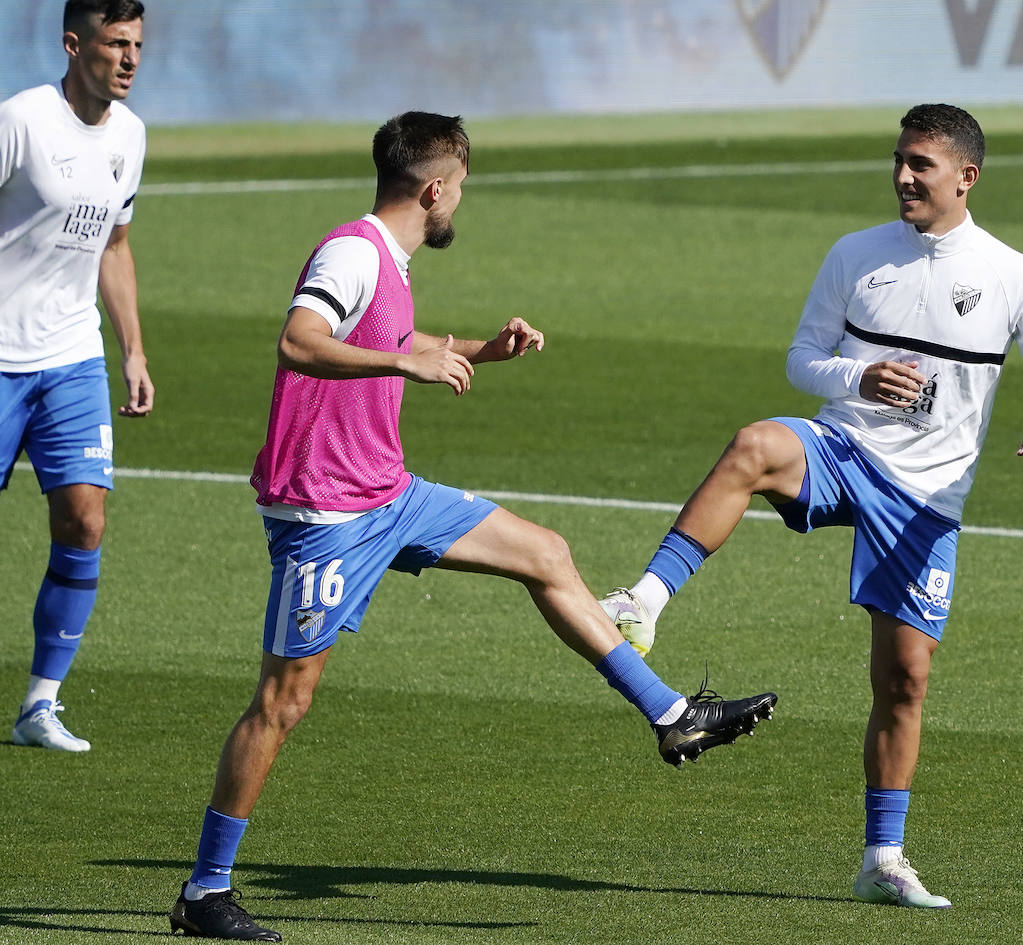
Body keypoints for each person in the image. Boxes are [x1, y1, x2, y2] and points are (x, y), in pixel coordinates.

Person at [168, 111, 776, 942]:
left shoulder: (389, 261)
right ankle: (205, 891)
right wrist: (403, 363)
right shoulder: (352, 250)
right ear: (434, 187)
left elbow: (384, 333)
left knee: (545, 552)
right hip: (327, 512)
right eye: (460, 185)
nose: (461, 200)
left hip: (387, 491)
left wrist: (477, 350)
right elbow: (300, 341)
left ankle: (671, 716)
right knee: (283, 700)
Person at [600, 104, 1023, 909]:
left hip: (927, 496)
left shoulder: (1013, 275)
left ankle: (882, 859)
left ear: (966, 177)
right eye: (898, 160)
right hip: (843, 450)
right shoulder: (857, 256)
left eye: (920, 165)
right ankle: (644, 601)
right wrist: (856, 379)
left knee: (904, 680)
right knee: (755, 443)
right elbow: (802, 359)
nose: (902, 176)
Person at [1, 0, 153, 753]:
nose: (129, 58)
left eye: (136, 45)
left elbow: (116, 246)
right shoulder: (20, 121)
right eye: (115, 44)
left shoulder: (131, 135)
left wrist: (132, 349)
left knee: (86, 518)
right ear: (72, 44)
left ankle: (40, 703)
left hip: (71, 357)